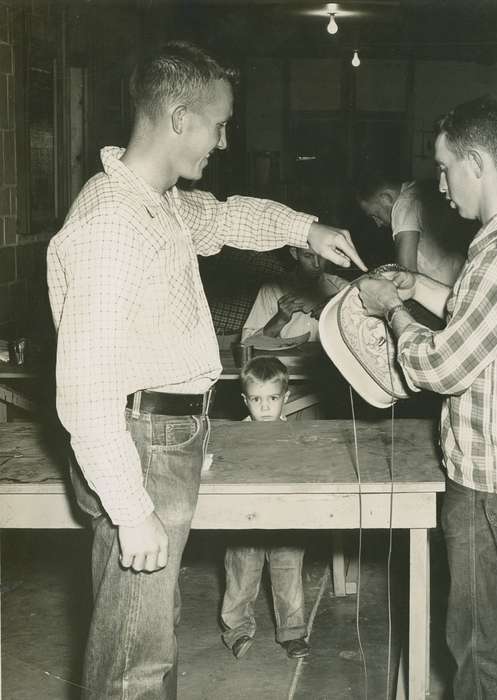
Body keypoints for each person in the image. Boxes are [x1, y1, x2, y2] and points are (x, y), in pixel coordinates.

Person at [46, 41, 365, 699]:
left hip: (166, 439)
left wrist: (307, 231)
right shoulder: (111, 222)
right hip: (141, 444)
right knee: (134, 658)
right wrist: (131, 508)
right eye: (218, 124)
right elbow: (84, 389)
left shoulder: (154, 202)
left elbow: (227, 216)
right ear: (179, 118)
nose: (222, 141)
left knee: (152, 636)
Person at [357, 96, 497, 700]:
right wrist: (418, 285)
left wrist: (393, 309)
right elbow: (482, 314)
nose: (441, 185)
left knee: (482, 649)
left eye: (445, 168)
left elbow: (445, 365)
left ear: (477, 162)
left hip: (491, 481)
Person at [220, 357, 310, 660]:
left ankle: (293, 632)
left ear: (285, 397)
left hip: (286, 520)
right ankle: (237, 630)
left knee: (289, 577)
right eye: (257, 400)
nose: (265, 407)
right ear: (245, 400)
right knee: (241, 576)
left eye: (272, 398)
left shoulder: (296, 437)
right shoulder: (234, 437)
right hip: (245, 522)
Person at [356, 172, 469, 286]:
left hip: (437, 293)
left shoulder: (403, 204)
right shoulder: (427, 187)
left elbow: (406, 274)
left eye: (375, 215)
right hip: (463, 279)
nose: (378, 223)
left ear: (386, 198)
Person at [241, 245, 348, 344]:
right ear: (294, 253)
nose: (316, 264)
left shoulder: (342, 288)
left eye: (322, 255)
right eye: (308, 256)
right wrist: (280, 320)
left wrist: (332, 315)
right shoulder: (272, 288)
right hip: (283, 363)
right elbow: (248, 344)